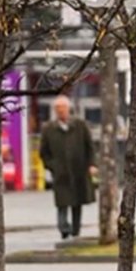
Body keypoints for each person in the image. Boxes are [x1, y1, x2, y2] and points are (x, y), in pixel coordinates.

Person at [39, 95, 96, 240]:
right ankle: (64, 228)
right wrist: (52, 166)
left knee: (77, 202)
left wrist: (91, 164)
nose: (60, 111)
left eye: (63, 108)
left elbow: (90, 147)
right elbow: (43, 152)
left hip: (79, 170)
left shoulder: (80, 125)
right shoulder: (49, 129)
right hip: (61, 172)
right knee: (62, 202)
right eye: (57, 108)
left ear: (68, 108)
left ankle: (76, 230)